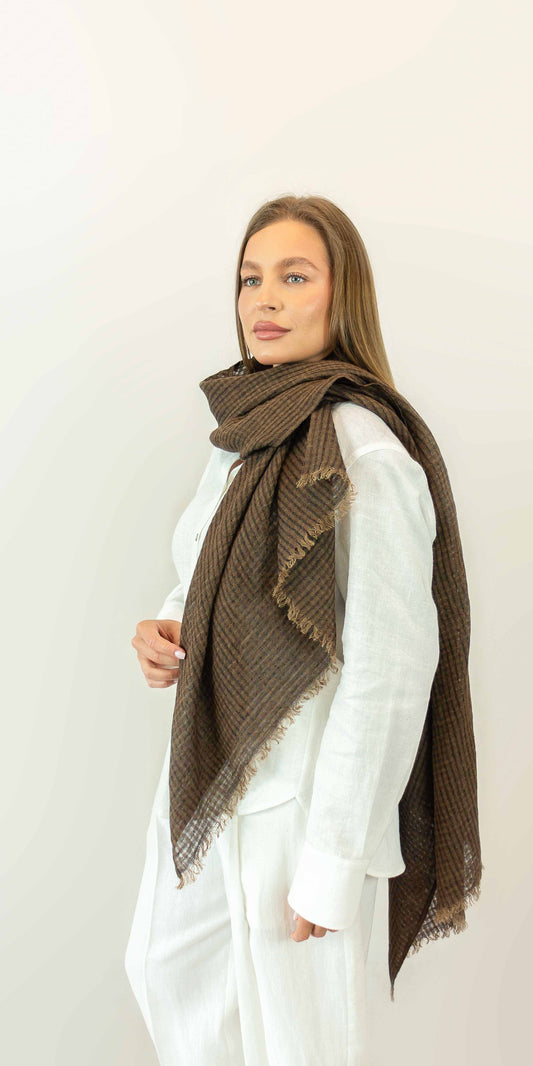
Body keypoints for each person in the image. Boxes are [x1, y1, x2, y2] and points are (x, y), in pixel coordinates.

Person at [125, 195, 481, 1065]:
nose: (265, 300)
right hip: (213, 776)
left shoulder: (364, 451)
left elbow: (393, 667)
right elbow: (206, 578)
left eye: (294, 277)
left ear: (341, 295)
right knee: (168, 977)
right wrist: (166, 627)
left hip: (303, 804)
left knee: (299, 1044)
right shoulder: (244, 437)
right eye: (251, 279)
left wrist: (333, 858)